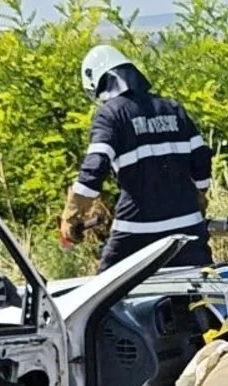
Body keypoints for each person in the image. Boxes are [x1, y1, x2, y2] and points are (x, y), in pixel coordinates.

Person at [62, 45, 214, 271]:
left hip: (137, 229)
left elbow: (95, 166)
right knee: (199, 293)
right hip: (189, 227)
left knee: (103, 294)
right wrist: (198, 195)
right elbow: (201, 159)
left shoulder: (110, 114)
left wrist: (73, 213)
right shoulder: (173, 108)